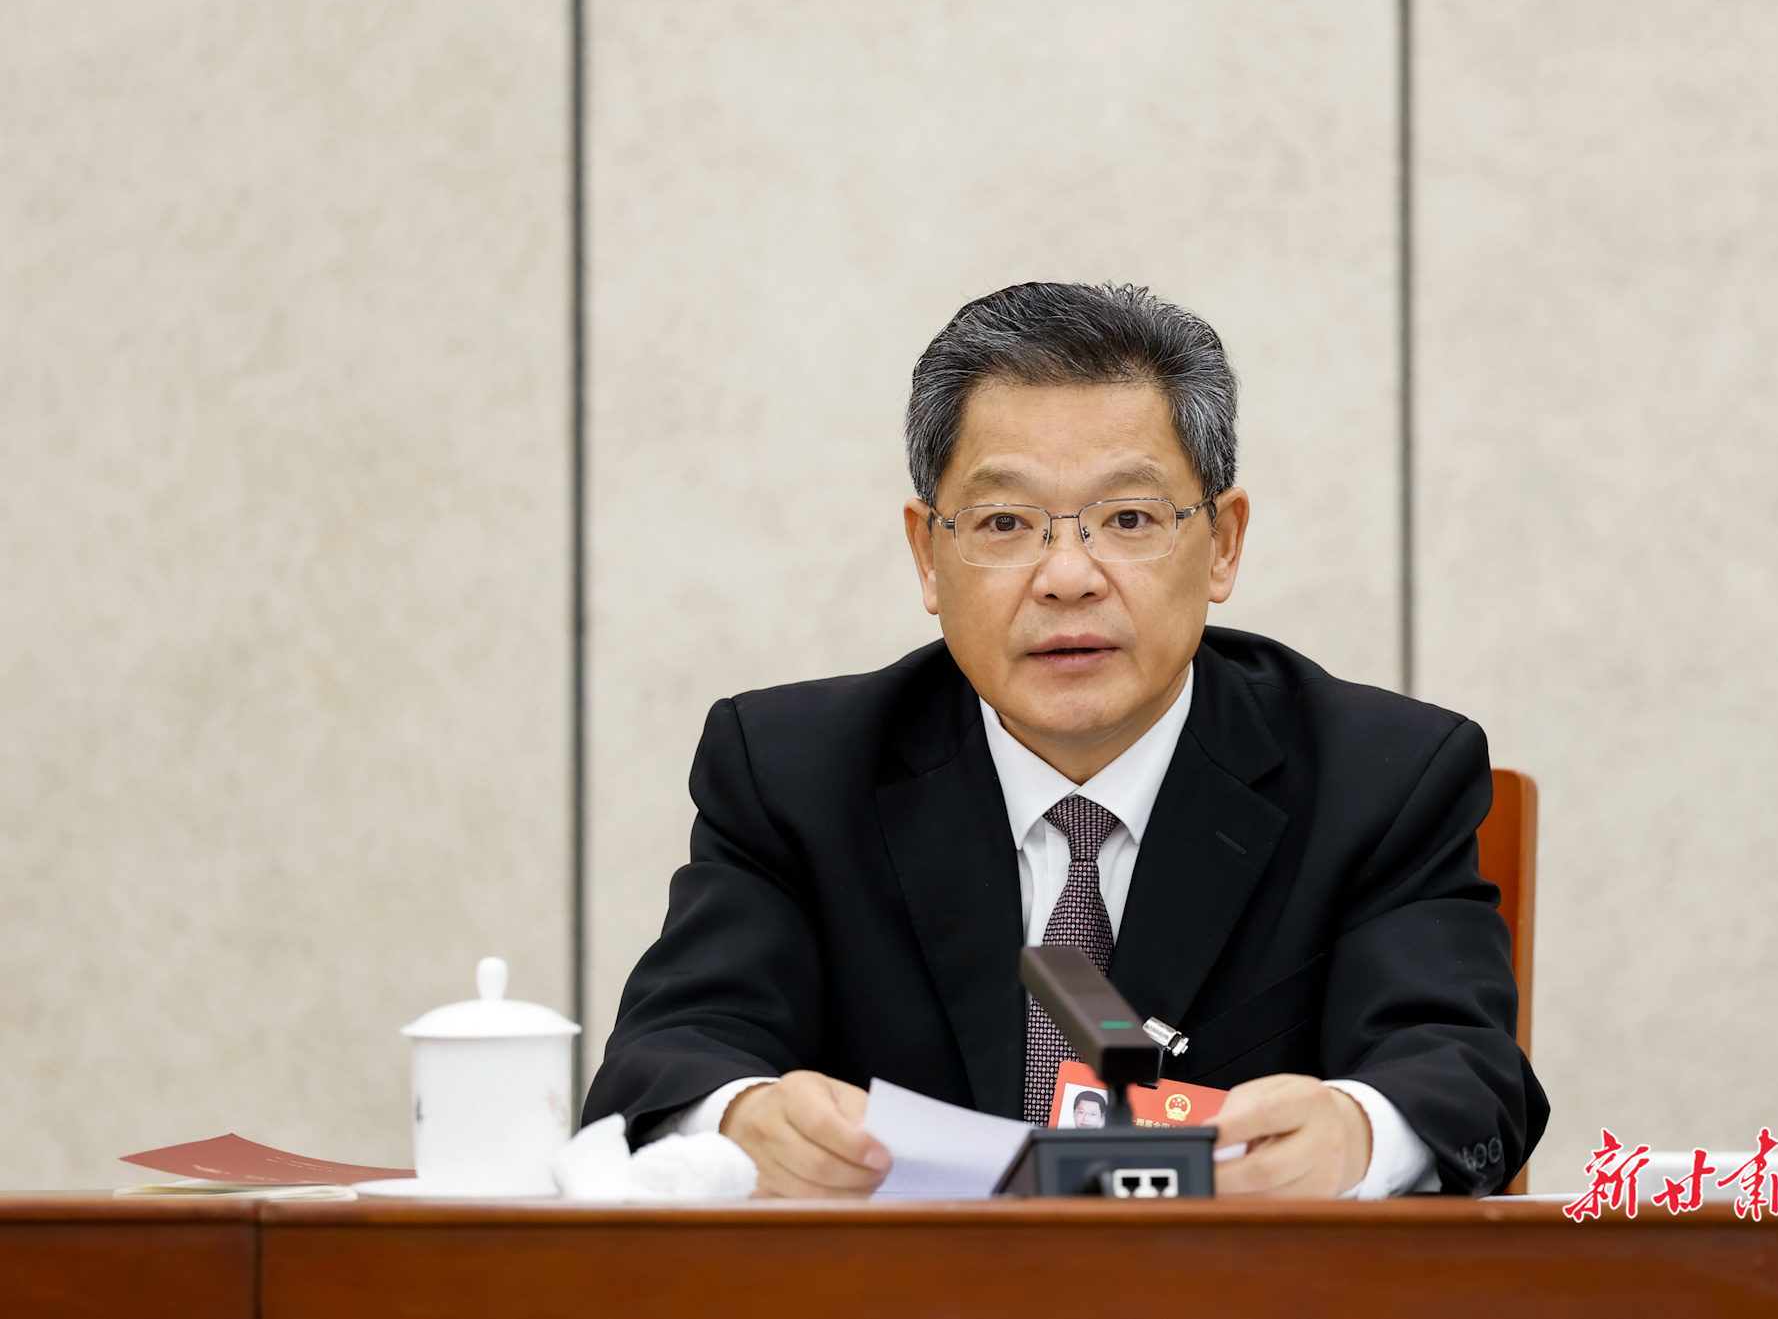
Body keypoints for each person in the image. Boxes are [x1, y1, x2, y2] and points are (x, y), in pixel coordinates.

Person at [585, 282, 1547, 1200]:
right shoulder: (792, 774)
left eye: (1128, 517)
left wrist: (1355, 1134)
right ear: (928, 554)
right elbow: (669, 1056)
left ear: (1223, 543)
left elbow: (1466, 1074)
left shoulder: (1380, 778)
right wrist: (740, 1117)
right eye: (1006, 522)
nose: (1068, 576)